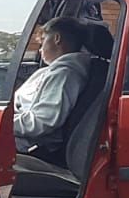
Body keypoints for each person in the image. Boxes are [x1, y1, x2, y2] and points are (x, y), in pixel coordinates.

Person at [13, 17, 92, 160]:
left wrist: (1, 123)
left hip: (31, 144)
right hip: (19, 127)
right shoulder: (51, 71)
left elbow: (42, 122)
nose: (40, 49)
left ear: (57, 38)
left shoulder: (65, 75)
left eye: (42, 41)